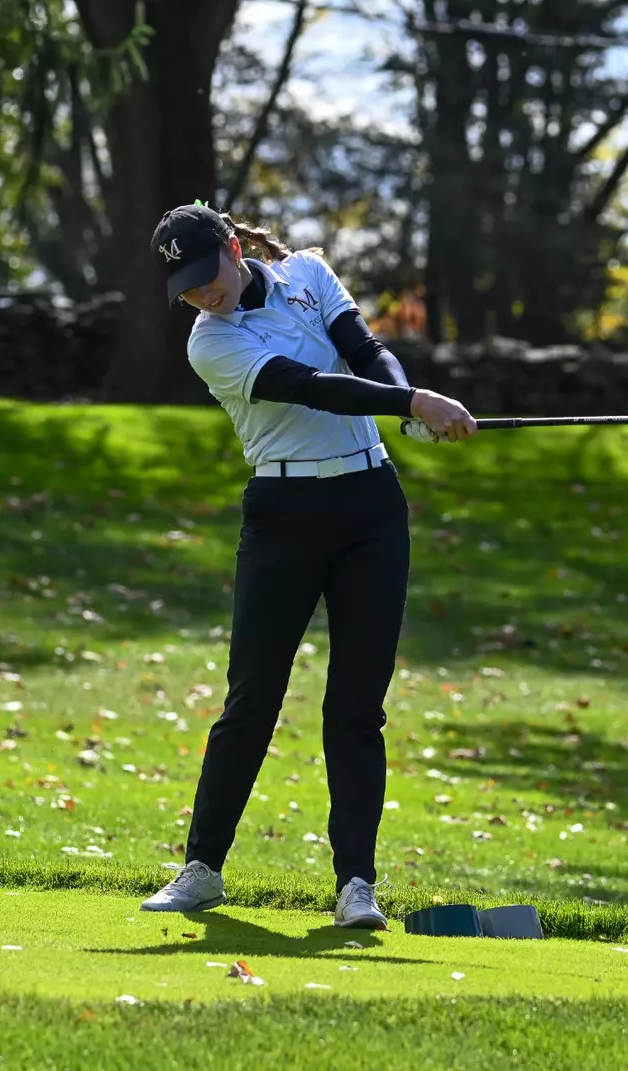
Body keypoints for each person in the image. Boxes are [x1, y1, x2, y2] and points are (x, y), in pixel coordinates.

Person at [138, 201, 477, 929]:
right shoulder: (211, 344)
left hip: (371, 511)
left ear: (233, 247)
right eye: (187, 289)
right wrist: (411, 400)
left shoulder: (308, 275)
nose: (203, 294)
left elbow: (364, 351)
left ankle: (358, 885)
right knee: (252, 698)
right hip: (284, 515)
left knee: (357, 708)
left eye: (207, 275)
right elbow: (309, 387)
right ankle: (202, 868)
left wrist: (404, 399)